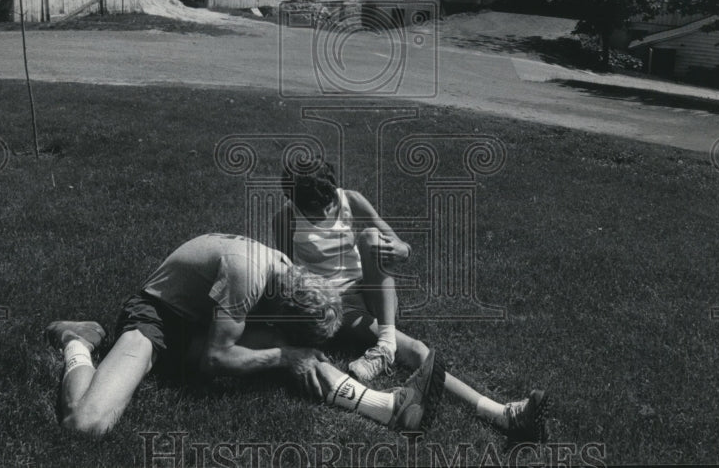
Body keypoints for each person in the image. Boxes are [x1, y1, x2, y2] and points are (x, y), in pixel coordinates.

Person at [46, 232, 445, 438]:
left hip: (199, 321)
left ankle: (388, 407)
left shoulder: (286, 279)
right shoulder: (247, 276)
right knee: (85, 423)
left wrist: (294, 352)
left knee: (302, 357)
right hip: (156, 316)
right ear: (278, 315)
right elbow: (215, 360)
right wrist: (284, 356)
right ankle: (77, 341)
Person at [273, 165, 549, 443]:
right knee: (416, 349)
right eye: (315, 209)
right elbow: (289, 280)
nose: (325, 213)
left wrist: (399, 249)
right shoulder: (285, 219)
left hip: (374, 289)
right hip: (340, 305)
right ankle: (503, 415)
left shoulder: (351, 200)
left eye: (329, 203)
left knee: (371, 237)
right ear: (294, 201)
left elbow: (402, 247)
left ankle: (386, 343)